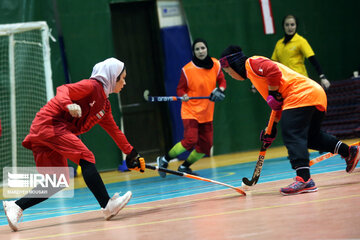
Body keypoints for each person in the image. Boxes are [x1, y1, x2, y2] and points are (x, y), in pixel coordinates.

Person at [2, 58, 145, 231]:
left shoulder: (105, 106)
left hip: (49, 130)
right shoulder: (92, 87)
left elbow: (115, 131)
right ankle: (107, 205)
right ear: (112, 76)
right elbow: (63, 89)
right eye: (122, 78)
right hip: (50, 124)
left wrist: (131, 154)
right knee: (86, 156)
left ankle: (16, 206)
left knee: (57, 181)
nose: (124, 82)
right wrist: (68, 104)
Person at [219, 45, 360, 195]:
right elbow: (277, 104)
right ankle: (349, 152)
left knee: (292, 133)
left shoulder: (252, 63)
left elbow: (273, 70)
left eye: (228, 72)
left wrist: (272, 93)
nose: (229, 75)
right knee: (311, 137)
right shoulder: (255, 76)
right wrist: (270, 129)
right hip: (314, 94)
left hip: (301, 95)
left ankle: (304, 180)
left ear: (234, 65)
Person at [156, 38, 226, 177]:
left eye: (203, 48)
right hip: (191, 111)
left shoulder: (216, 65)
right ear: (193, 52)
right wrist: (184, 95)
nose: (201, 51)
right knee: (191, 140)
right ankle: (164, 160)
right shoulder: (187, 70)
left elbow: (222, 80)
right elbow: (180, 90)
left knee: (206, 145)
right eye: (197, 49)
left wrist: (220, 90)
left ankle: (184, 166)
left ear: (207, 49)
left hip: (207, 112)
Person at [271, 14, 331, 90]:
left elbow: (313, 60)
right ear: (283, 26)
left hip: (300, 81)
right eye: (287, 25)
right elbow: (272, 65)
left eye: (292, 25)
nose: (290, 27)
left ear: (296, 26)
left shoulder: (301, 41)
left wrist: (322, 77)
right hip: (285, 84)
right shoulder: (279, 44)